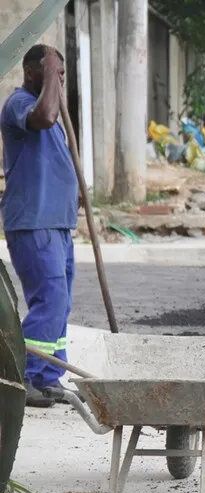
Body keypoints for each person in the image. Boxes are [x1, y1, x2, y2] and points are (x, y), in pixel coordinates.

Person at [0, 44, 83, 409]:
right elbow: (46, 116)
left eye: (62, 75)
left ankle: (48, 378)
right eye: (52, 73)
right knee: (48, 299)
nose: (59, 81)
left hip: (58, 224)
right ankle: (26, 378)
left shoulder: (47, 106)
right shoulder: (20, 104)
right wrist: (51, 73)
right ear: (31, 72)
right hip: (33, 223)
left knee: (59, 304)